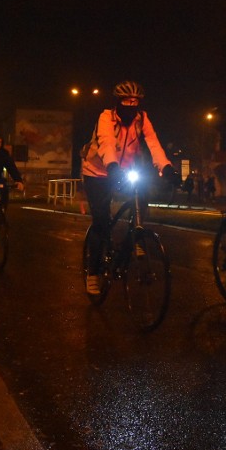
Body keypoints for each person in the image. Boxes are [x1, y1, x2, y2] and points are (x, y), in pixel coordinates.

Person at [80, 80, 182, 295]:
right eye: (126, 101)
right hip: (98, 172)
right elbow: (106, 142)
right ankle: (93, 272)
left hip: (124, 170)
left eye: (135, 102)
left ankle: (134, 235)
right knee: (101, 222)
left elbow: (154, 144)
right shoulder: (106, 117)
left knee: (141, 194)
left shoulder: (142, 118)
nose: (131, 106)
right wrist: (112, 166)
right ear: (118, 102)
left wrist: (167, 168)